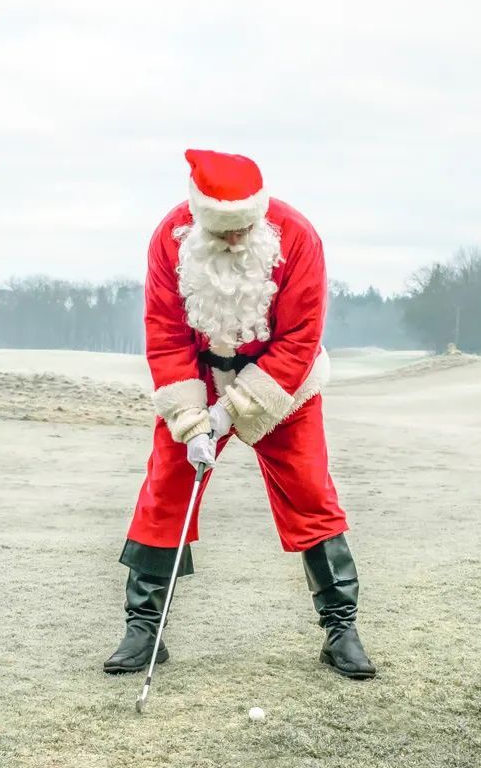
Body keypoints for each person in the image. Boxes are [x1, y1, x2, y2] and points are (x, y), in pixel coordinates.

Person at [104, 149, 376, 680]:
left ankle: (341, 629)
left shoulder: (297, 236)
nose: (235, 239)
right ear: (200, 218)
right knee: (165, 490)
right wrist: (191, 421)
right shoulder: (170, 237)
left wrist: (234, 413)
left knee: (311, 494)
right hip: (197, 376)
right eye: (224, 231)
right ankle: (144, 629)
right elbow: (164, 331)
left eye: (244, 229)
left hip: (282, 383)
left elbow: (301, 338)